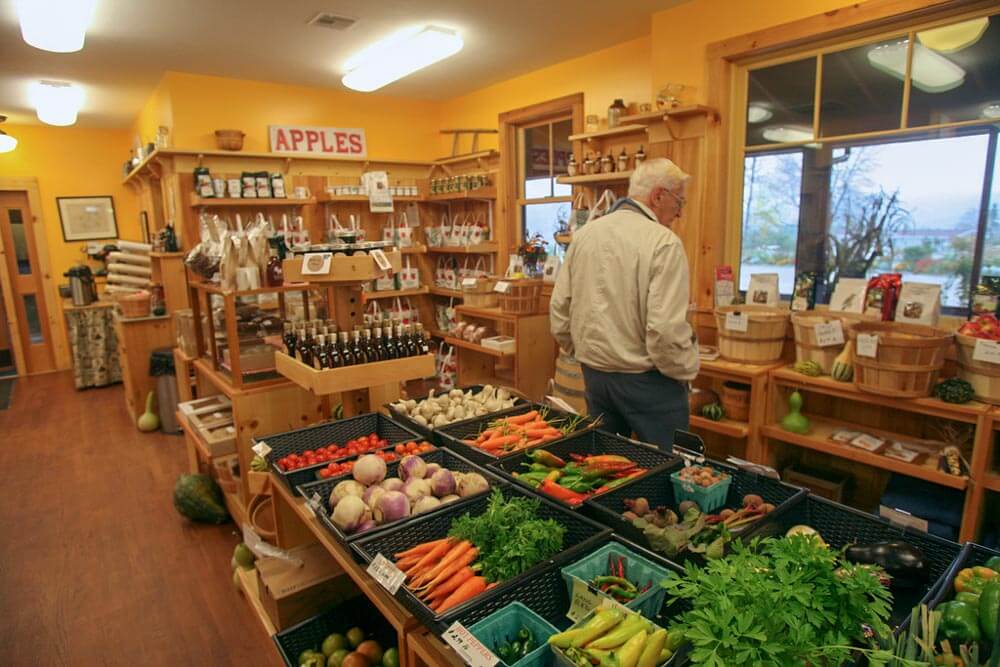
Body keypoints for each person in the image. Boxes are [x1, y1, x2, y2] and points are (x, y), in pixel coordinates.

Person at [549, 158, 698, 451]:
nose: (679, 212)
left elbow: (559, 313)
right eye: (679, 201)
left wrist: (584, 353)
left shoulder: (584, 236)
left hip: (595, 377)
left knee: (605, 472)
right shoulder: (663, 243)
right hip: (650, 383)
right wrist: (686, 370)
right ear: (658, 195)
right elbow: (665, 331)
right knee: (667, 474)